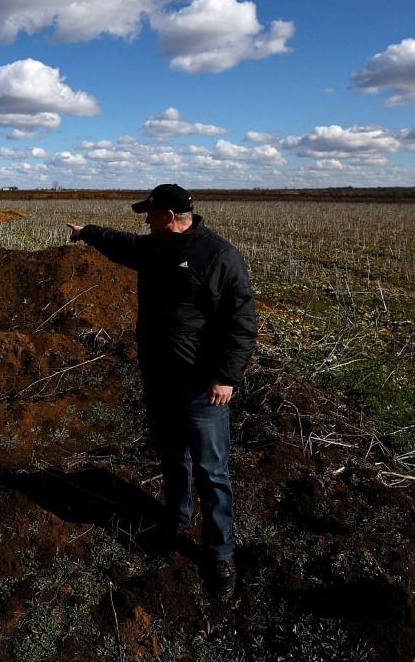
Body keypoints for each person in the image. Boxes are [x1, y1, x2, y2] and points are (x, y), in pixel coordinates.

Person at [67, 183, 257, 595]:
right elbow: (121, 244)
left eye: (149, 215)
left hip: (201, 388)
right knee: (172, 458)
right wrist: (87, 232)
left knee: (212, 471)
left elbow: (241, 323)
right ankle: (175, 519)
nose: (145, 222)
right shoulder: (154, 248)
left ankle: (220, 552)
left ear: (169, 217)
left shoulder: (219, 257)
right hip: (159, 380)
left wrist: (226, 376)